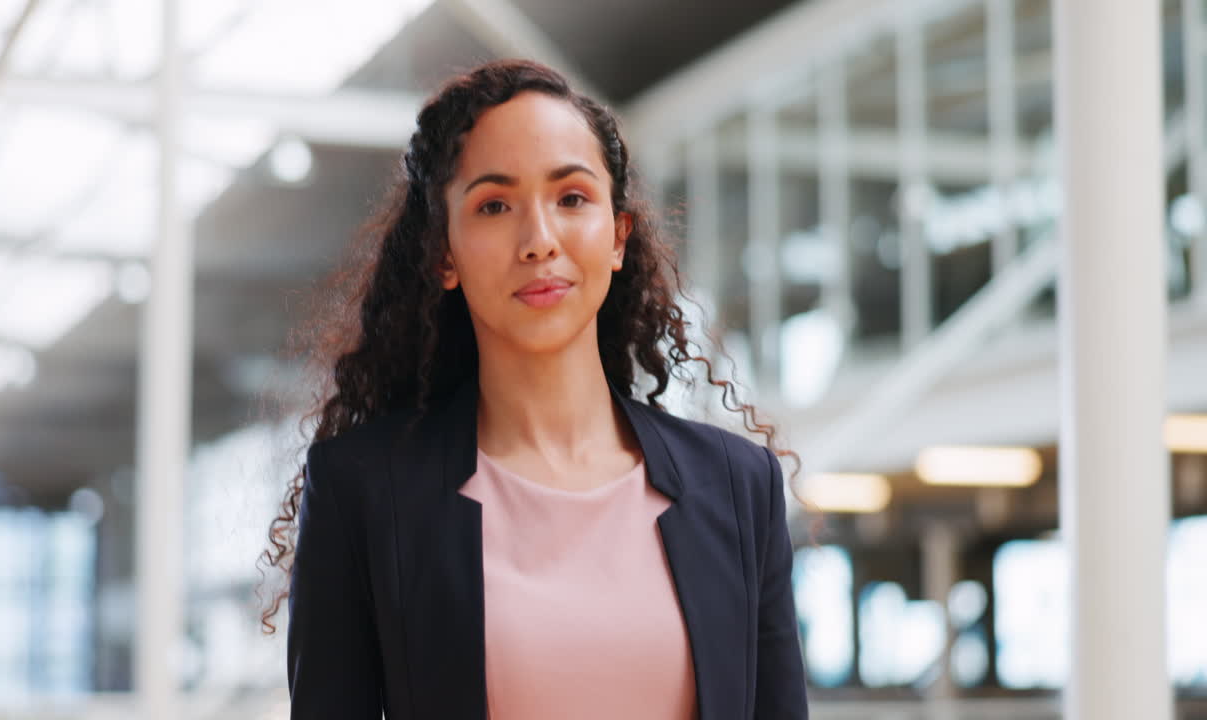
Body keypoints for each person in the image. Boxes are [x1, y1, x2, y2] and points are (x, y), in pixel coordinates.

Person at [259, 58, 808, 720]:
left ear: (618, 236)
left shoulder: (738, 485)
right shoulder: (365, 490)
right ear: (443, 253)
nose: (539, 241)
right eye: (494, 205)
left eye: (571, 198)